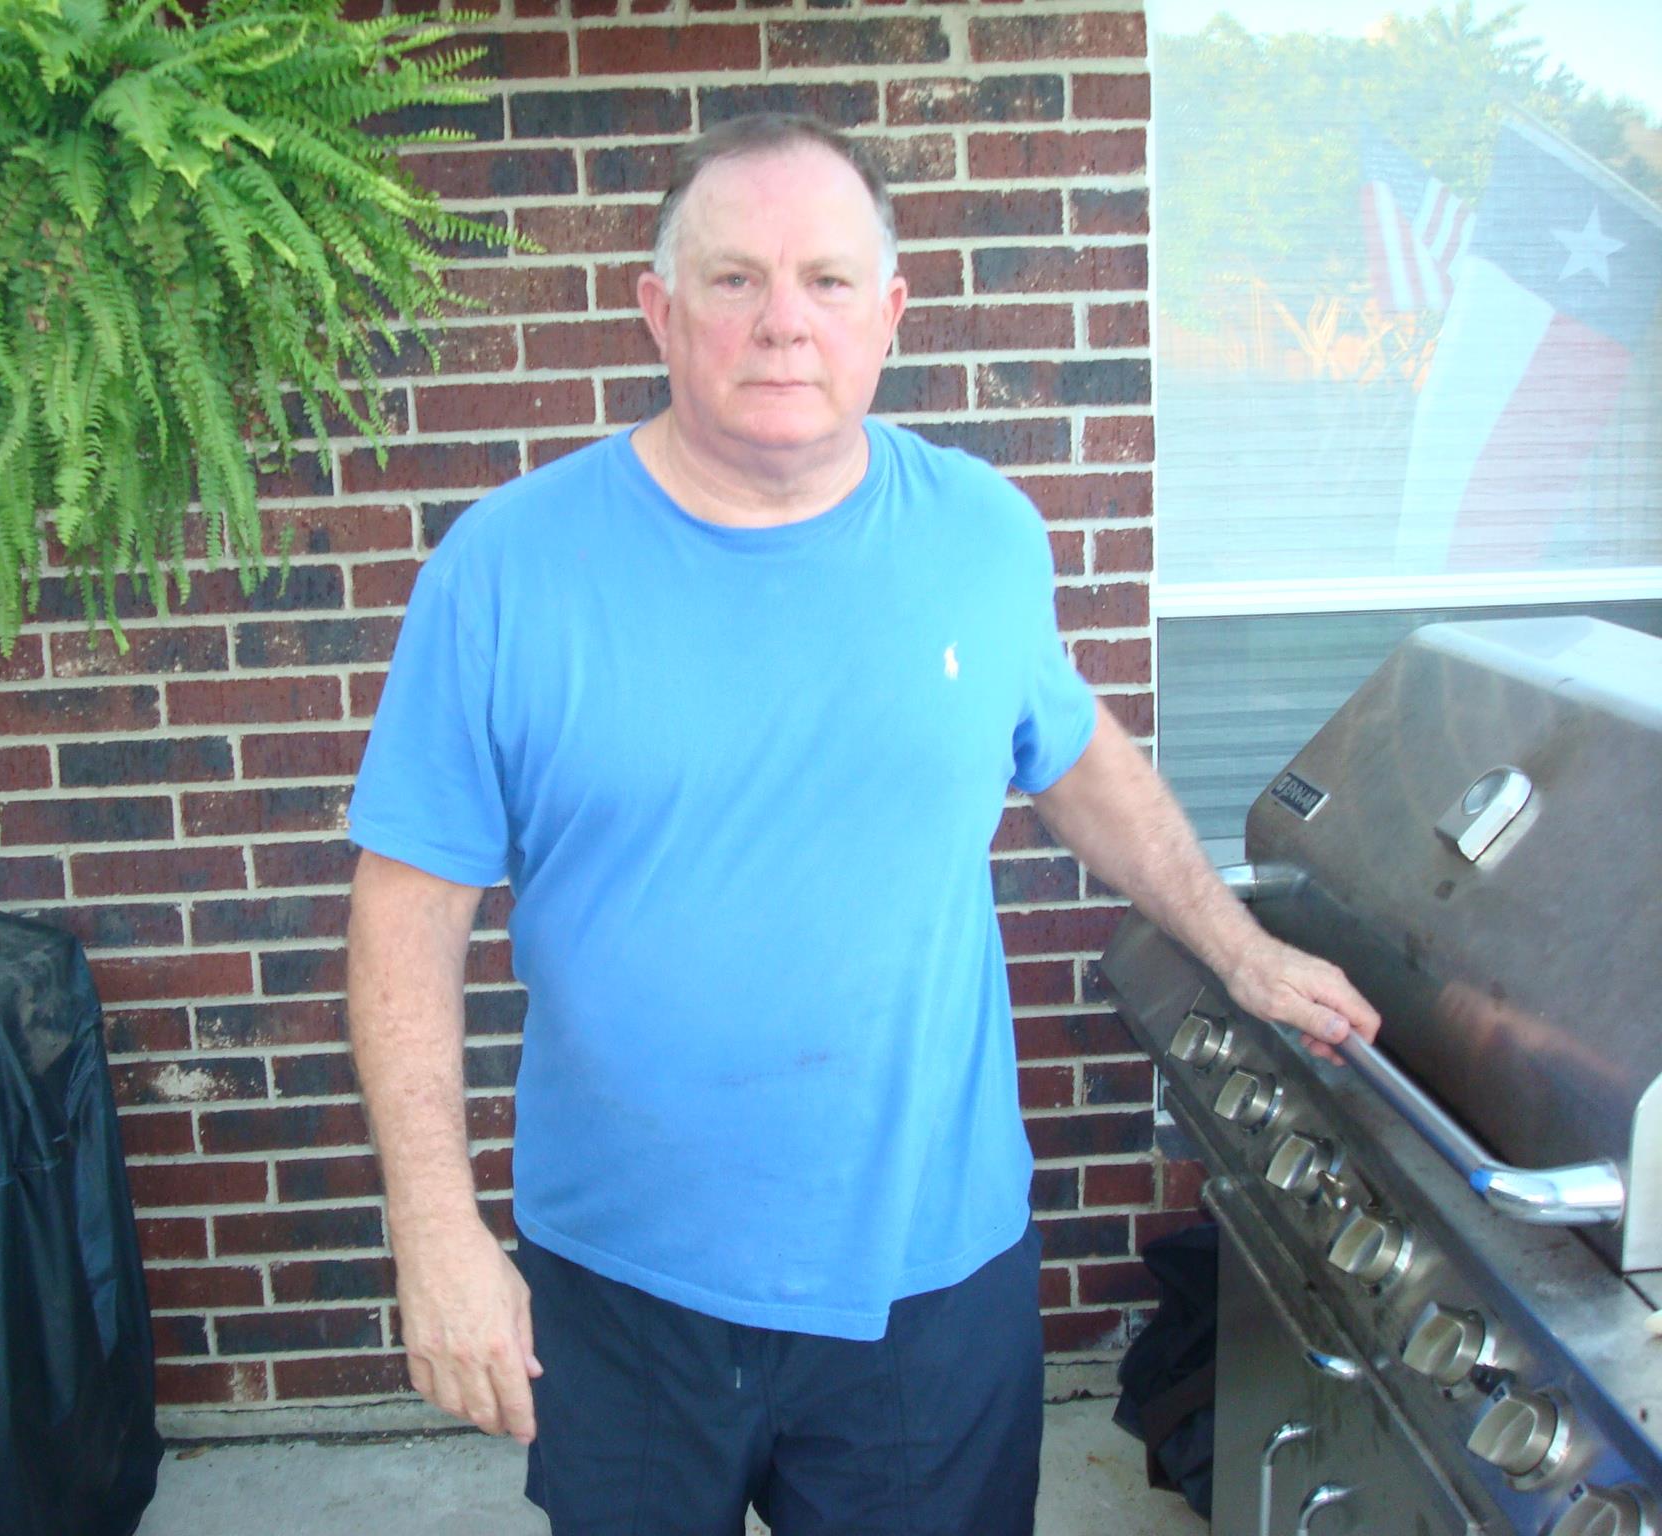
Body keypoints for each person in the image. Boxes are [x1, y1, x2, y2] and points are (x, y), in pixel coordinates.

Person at [344, 113, 1379, 1536]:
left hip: (927, 1279)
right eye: (732, 280)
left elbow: (1075, 759)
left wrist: (1238, 947)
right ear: (659, 310)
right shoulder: (506, 573)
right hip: (624, 1282)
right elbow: (407, 908)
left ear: (888, 315)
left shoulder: (982, 534)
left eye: (827, 281)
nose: (783, 323)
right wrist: (435, 1232)